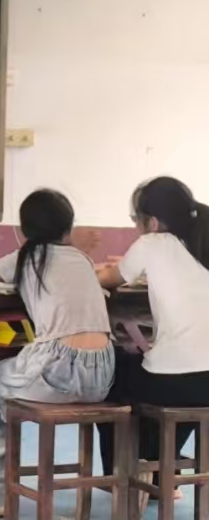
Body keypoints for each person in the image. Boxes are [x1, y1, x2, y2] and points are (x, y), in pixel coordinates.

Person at [0, 189, 114, 517]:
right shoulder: (81, 259)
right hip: (103, 373)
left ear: (23, 230)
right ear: (68, 227)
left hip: (58, 367)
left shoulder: (27, 256)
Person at [97, 176, 209, 486]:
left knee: (110, 377)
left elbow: (109, 279)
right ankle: (163, 469)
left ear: (154, 222)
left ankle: (123, 476)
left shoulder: (151, 244)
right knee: (178, 381)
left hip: (177, 382)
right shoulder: (202, 240)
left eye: (136, 219)